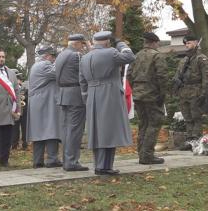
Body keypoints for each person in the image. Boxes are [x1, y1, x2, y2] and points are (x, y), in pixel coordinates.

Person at [79, 31, 135, 175]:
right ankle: (104, 166)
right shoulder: (110, 52)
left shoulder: (85, 57)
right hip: (109, 93)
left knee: (97, 132)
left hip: (92, 95)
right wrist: (121, 43)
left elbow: (82, 82)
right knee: (109, 131)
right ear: (107, 42)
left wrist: (87, 98)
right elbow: (130, 57)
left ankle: (100, 164)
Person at [128, 32, 168, 165]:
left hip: (138, 94)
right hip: (152, 95)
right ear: (154, 42)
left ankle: (142, 153)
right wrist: (162, 94)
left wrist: (136, 88)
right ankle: (147, 155)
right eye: (157, 43)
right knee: (155, 122)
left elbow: (129, 75)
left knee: (143, 123)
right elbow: (162, 76)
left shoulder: (136, 56)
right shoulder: (157, 56)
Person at [56, 34, 90, 171]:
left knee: (67, 130)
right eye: (82, 44)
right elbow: (88, 68)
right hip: (75, 95)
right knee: (75, 130)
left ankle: (67, 160)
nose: (83, 47)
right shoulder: (76, 55)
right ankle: (71, 161)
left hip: (64, 93)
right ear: (77, 44)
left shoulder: (61, 54)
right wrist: (90, 48)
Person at [27, 46, 63, 168]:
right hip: (46, 102)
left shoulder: (35, 65)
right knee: (51, 130)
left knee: (39, 133)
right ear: (47, 56)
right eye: (53, 57)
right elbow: (58, 73)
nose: (54, 60)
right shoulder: (45, 65)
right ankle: (52, 159)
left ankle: (38, 160)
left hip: (39, 102)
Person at [174, 34, 208, 147]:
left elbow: (206, 76)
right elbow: (177, 75)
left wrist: (204, 92)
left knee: (196, 116)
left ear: (195, 43)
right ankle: (189, 139)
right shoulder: (184, 59)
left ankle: (196, 139)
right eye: (185, 43)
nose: (186, 45)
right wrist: (176, 83)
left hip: (196, 90)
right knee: (187, 117)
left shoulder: (201, 58)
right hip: (184, 91)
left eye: (189, 43)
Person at [11, 72, 29, 150]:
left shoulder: (25, 89)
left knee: (24, 128)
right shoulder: (13, 88)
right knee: (15, 129)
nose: (20, 81)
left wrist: (25, 97)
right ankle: (14, 144)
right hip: (16, 111)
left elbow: (28, 99)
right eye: (18, 79)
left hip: (24, 111)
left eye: (21, 80)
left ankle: (25, 144)